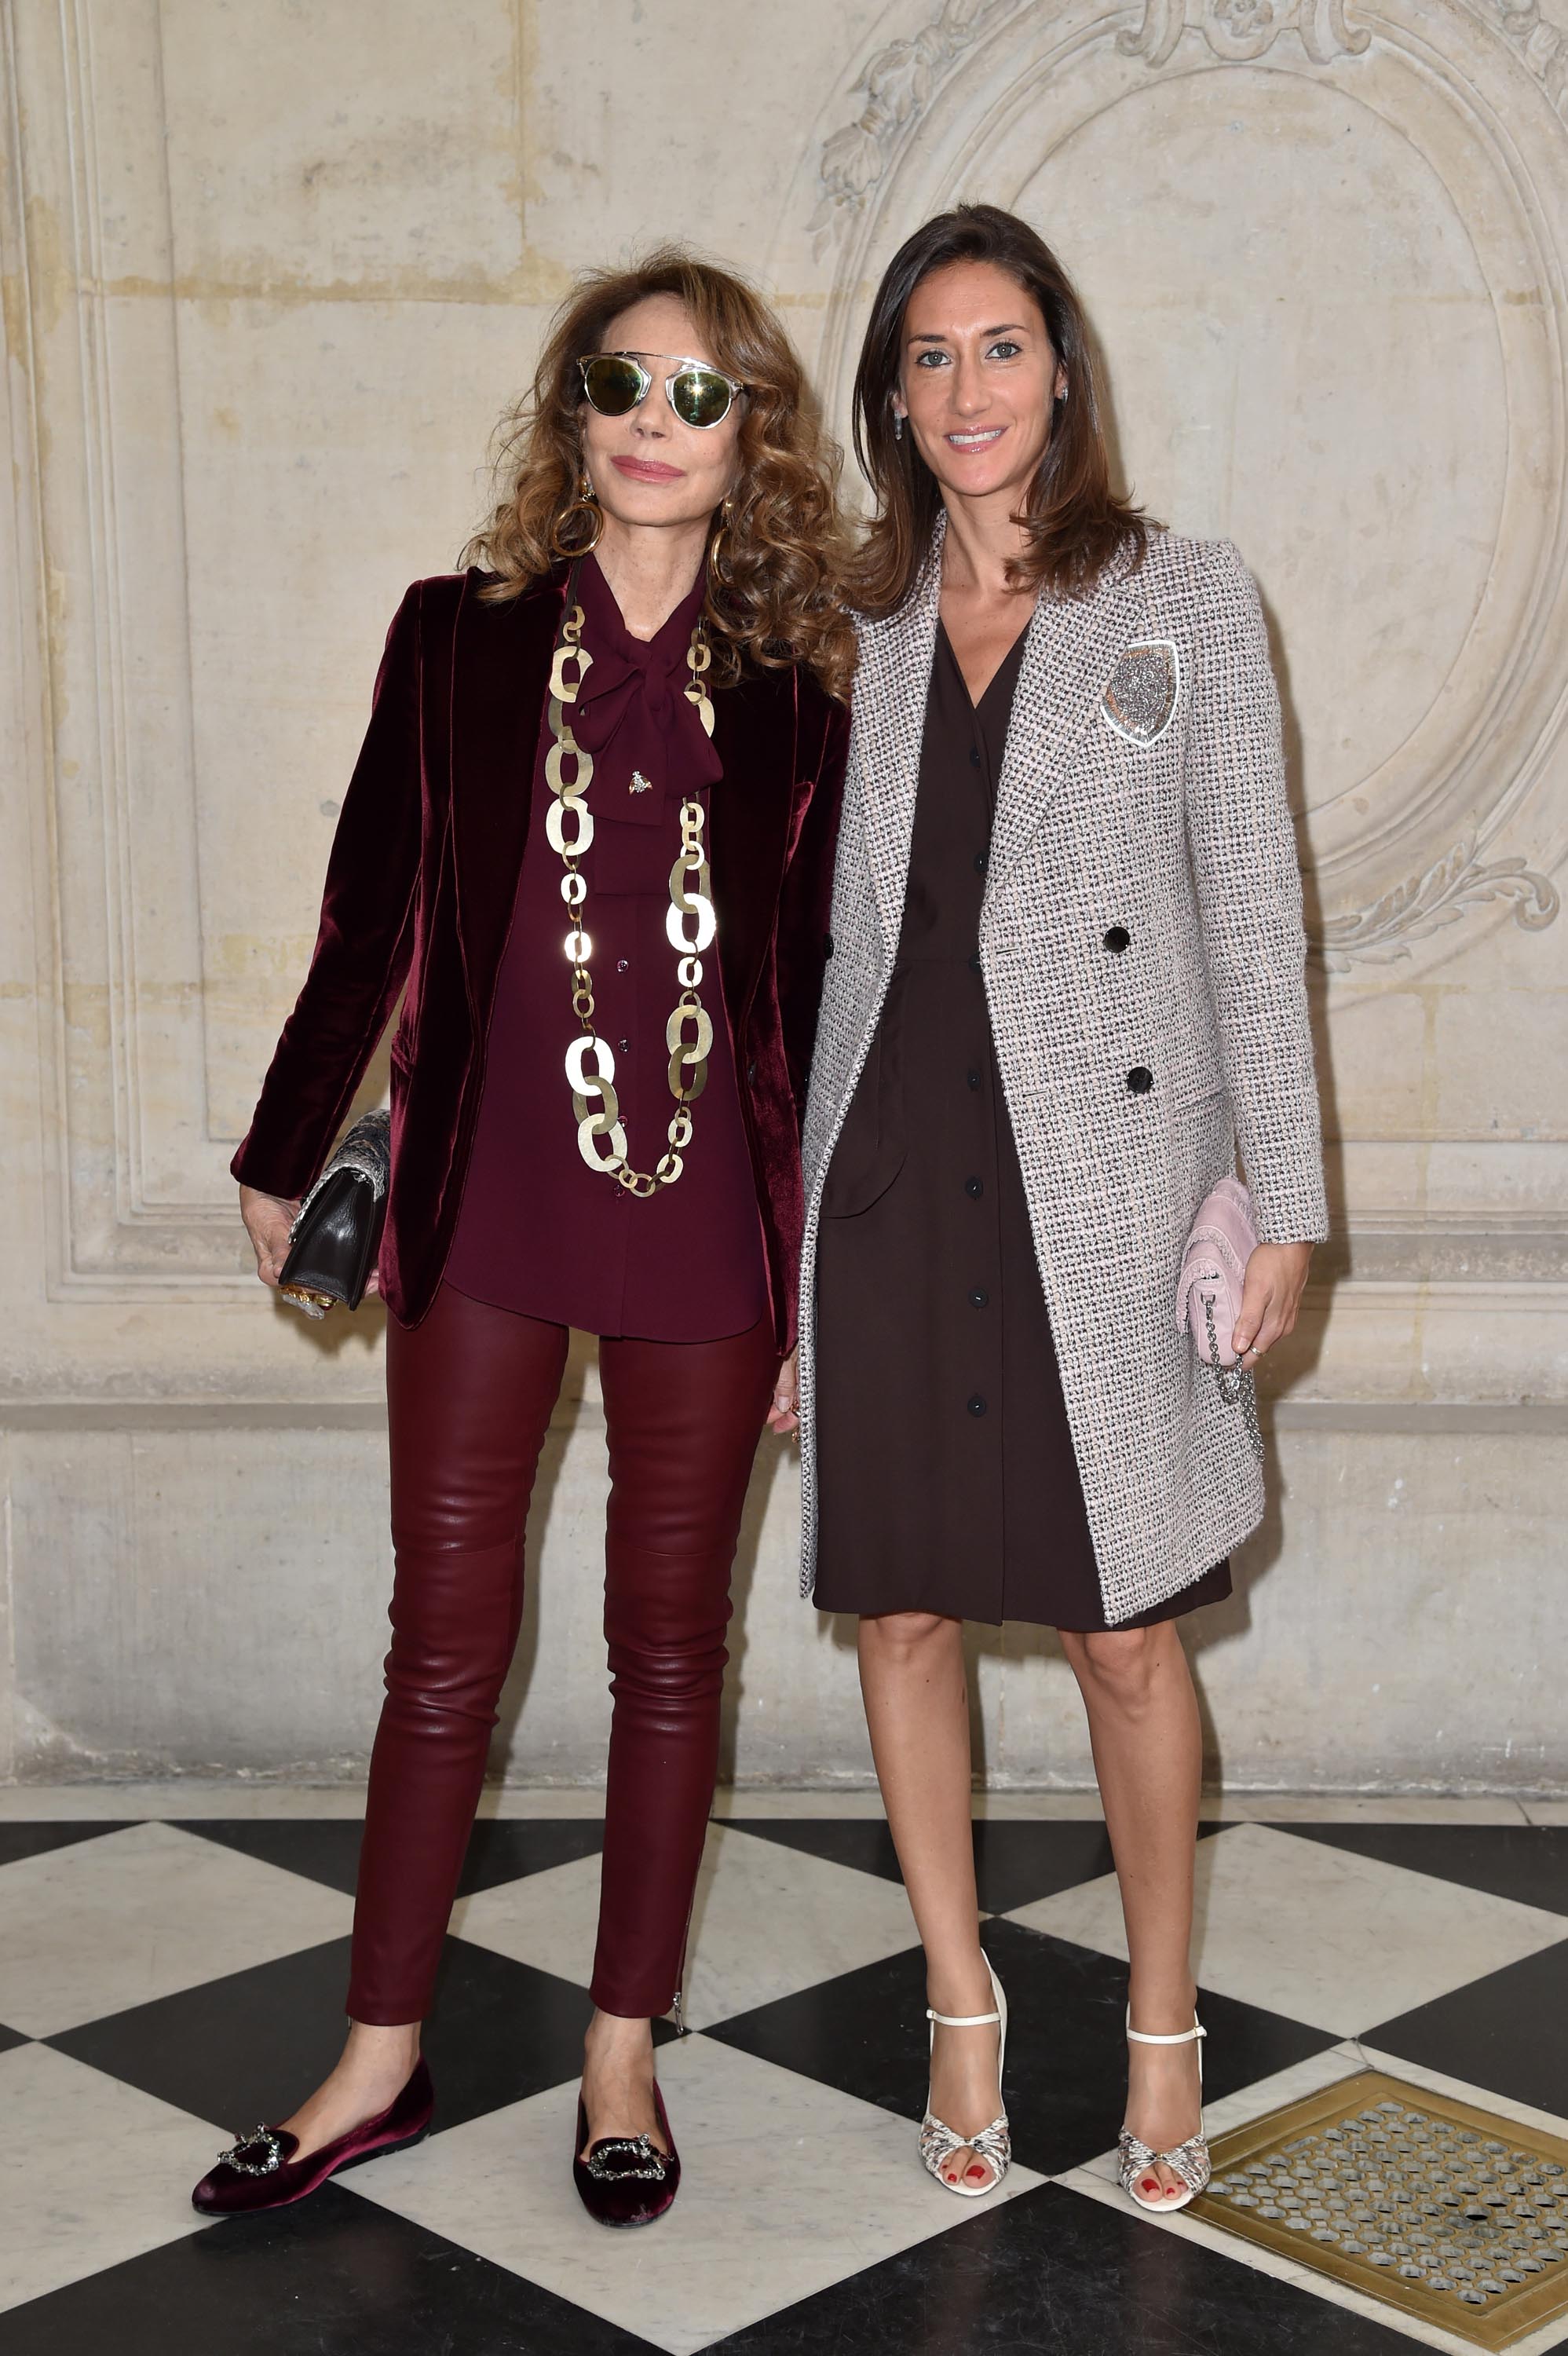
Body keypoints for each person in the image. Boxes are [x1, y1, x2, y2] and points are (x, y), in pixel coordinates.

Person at [193, 250, 853, 2228]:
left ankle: (621, 2053)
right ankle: (374, 2058)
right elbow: (366, 908)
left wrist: (825, 1276)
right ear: (572, 417)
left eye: (701, 393)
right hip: (487, 1206)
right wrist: (284, 1141)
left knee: (672, 1653)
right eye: (620, 384)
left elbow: (821, 1007)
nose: (656, 423)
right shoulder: (454, 639)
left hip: (714, 1239)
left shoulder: (807, 702)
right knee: (439, 1656)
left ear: (753, 442)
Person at [798, 204, 1325, 2214]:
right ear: (894, 398)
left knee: (1125, 1633)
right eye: (927, 358)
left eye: (998, 347)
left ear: (1063, 372)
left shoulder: (1182, 596)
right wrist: (778, 1268)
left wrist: (1276, 1193)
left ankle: (1165, 2020)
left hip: (1097, 1178)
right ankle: (959, 1996)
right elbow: (821, 953)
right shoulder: (851, 626)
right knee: (905, 1607)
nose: (966, 391)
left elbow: (1253, 919)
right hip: (890, 1171)